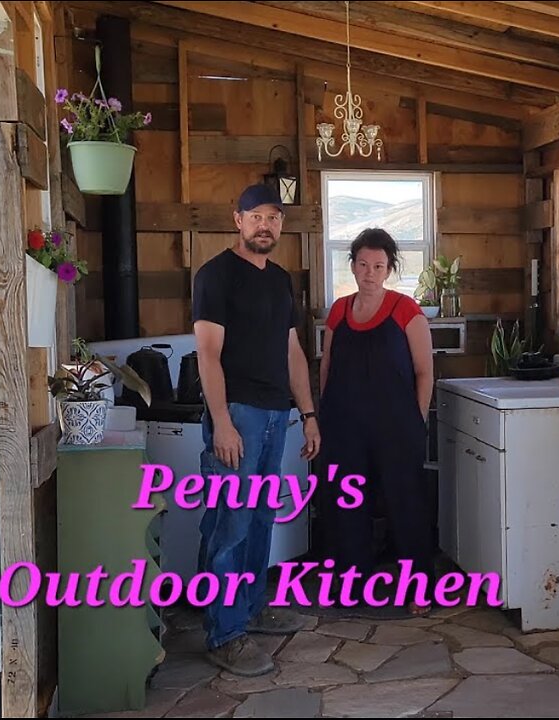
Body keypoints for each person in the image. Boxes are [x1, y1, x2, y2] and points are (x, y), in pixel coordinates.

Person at [191, 183, 321, 676]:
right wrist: (221, 422)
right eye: (256, 216)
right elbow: (207, 354)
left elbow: (291, 350)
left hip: (275, 416)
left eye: (274, 217)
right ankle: (224, 633)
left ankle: (247, 608)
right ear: (237, 219)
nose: (266, 224)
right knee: (230, 524)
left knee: (261, 519)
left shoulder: (281, 280)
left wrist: (307, 413)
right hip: (238, 416)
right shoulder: (215, 276)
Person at [317, 228, 436, 617]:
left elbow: (425, 373)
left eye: (378, 266)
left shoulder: (406, 310)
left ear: (389, 269)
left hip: (396, 428)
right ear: (352, 266)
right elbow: (328, 366)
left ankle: (417, 589)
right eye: (363, 264)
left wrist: (415, 421)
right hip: (345, 427)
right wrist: (323, 414)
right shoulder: (339, 310)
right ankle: (352, 586)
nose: (369, 272)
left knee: (405, 507)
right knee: (347, 506)